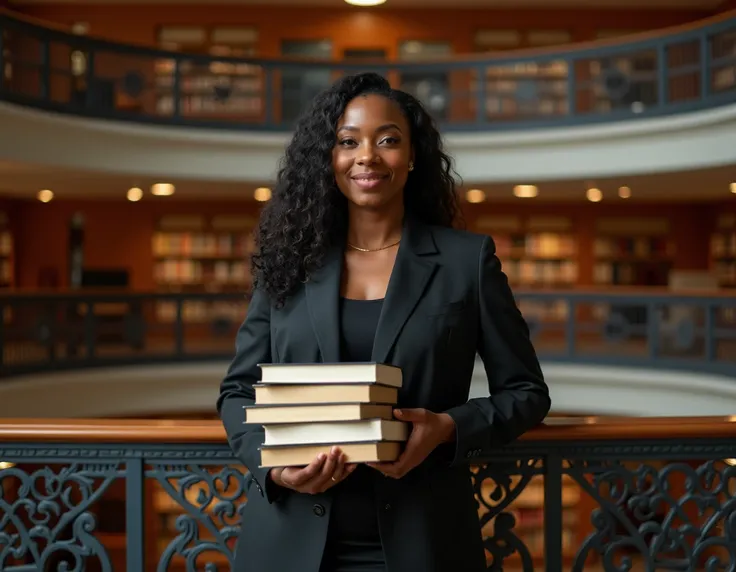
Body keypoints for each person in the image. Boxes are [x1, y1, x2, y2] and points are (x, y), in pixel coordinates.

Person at [217, 72, 550, 572]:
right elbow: (238, 391)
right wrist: (275, 469)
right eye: (348, 142)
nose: (366, 156)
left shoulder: (467, 261)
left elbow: (526, 392)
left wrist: (446, 427)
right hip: (290, 541)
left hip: (424, 539)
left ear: (413, 156)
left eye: (387, 140)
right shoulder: (289, 261)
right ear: (328, 159)